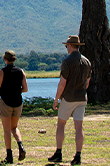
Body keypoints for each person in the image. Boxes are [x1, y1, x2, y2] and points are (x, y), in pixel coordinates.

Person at [47, 35, 92, 166]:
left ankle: (59, 152)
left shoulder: (67, 62)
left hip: (68, 98)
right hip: (81, 98)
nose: (66, 48)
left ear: (71, 46)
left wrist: (56, 99)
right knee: (79, 127)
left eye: (67, 46)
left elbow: (62, 83)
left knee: (61, 124)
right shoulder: (86, 62)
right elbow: (87, 82)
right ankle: (78, 155)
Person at [0, 50, 28, 163]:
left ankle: (9, 156)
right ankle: (20, 146)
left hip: (6, 103)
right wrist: (16, 90)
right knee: (14, 127)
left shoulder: (2, 72)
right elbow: (25, 89)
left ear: (5, 59)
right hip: (18, 103)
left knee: (6, 130)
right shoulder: (21, 72)